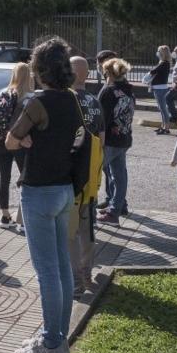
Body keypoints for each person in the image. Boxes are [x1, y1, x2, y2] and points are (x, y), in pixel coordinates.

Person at [5, 38, 89, 353]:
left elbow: (12, 140)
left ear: (40, 69)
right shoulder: (73, 99)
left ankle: (51, 343)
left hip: (38, 192)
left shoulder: (37, 102)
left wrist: (23, 138)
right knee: (61, 267)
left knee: (47, 271)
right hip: (65, 191)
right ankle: (57, 336)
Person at [68, 56, 105, 296]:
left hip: (70, 176)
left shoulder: (66, 100)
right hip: (91, 176)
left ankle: (75, 281)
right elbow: (102, 139)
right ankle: (87, 272)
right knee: (87, 228)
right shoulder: (94, 101)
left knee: (69, 231)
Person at [96, 58, 136, 225]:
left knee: (93, 173)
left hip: (109, 141)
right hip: (124, 138)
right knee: (120, 177)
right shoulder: (129, 89)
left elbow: (100, 118)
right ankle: (115, 210)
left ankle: (90, 212)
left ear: (108, 73)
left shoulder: (107, 91)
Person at [0, 63, 33, 230]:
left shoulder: (4, 93)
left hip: (0, 141)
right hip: (19, 142)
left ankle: (5, 217)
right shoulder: (29, 97)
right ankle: (23, 220)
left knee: (4, 178)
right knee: (26, 179)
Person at [147, 45, 173, 135]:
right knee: (161, 108)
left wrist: (150, 72)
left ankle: (166, 128)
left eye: (158, 51)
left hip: (160, 89)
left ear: (162, 53)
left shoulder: (164, 63)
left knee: (163, 108)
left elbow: (153, 71)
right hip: (158, 88)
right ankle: (163, 126)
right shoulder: (163, 62)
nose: (157, 52)